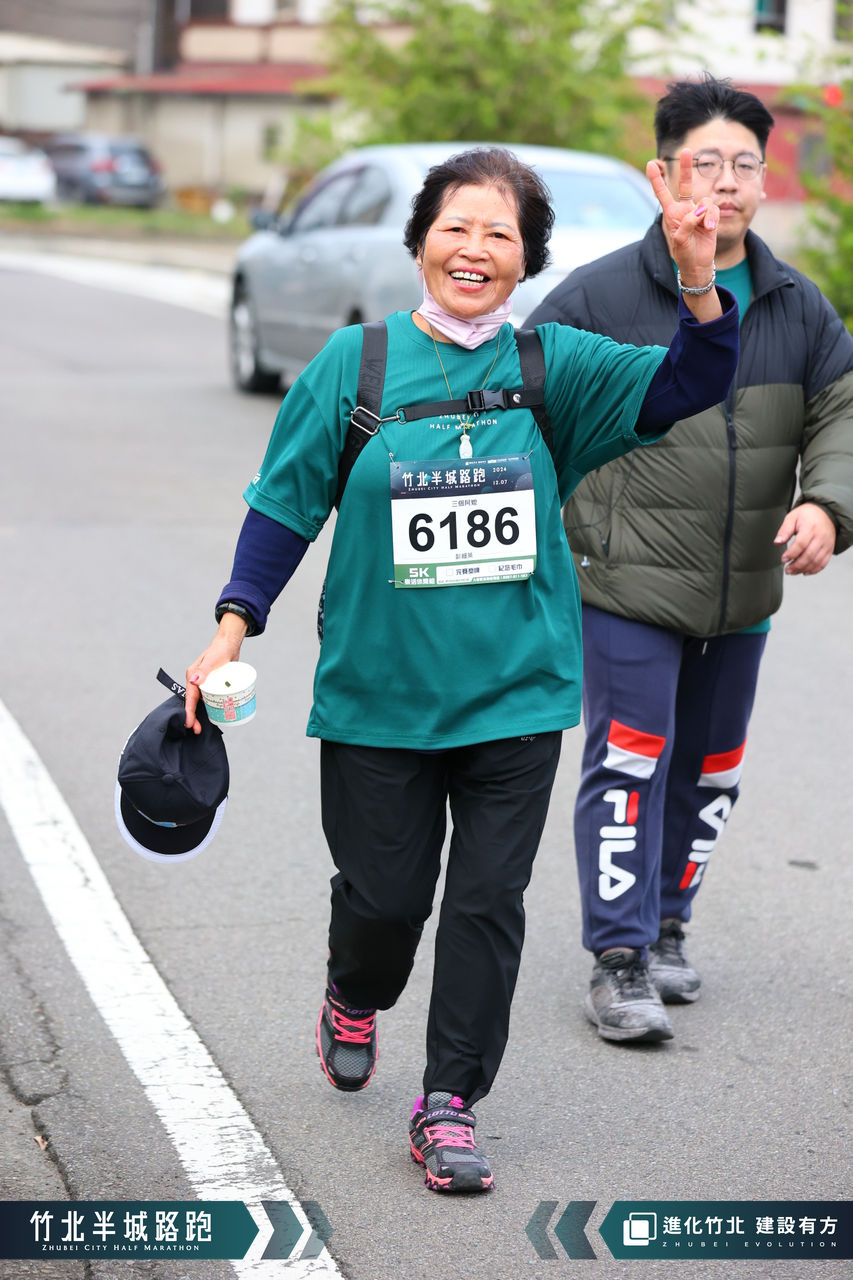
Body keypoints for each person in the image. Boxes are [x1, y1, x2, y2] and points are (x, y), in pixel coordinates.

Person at [183, 145, 738, 1191]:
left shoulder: (554, 368)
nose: (475, 248)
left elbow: (694, 380)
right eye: (456, 227)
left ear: (527, 259)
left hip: (515, 695)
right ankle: (356, 990)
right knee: (386, 902)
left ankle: (449, 1102)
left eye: (499, 233)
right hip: (377, 696)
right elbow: (284, 505)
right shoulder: (353, 365)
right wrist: (232, 625)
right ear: (420, 243)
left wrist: (697, 276)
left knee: (487, 903)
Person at [526, 75, 853, 1045]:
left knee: (710, 770)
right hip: (623, 580)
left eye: (743, 164)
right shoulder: (597, 295)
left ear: (765, 179)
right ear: (662, 176)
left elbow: (842, 411)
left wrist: (828, 505)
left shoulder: (796, 305)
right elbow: (522, 407)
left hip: (743, 586)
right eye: (703, 163)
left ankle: (667, 925)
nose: (725, 182)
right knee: (629, 760)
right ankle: (618, 956)